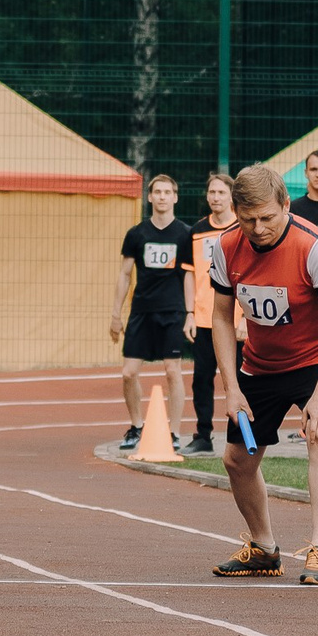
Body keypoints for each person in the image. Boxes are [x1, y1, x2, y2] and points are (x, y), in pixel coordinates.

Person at [208, 166, 318, 585]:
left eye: (267, 218)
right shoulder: (225, 247)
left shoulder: (314, 247)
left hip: (316, 361)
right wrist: (232, 388)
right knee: (237, 459)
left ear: (286, 205)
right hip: (260, 365)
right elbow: (221, 318)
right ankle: (264, 548)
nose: (258, 229)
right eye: (248, 219)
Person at [112, 173, 195, 452]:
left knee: (173, 370)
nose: (162, 196)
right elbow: (125, 275)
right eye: (157, 192)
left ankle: (174, 432)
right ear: (149, 197)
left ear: (175, 197)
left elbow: (190, 276)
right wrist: (115, 315)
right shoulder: (137, 234)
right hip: (141, 312)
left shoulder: (185, 234)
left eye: (167, 192)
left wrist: (191, 313)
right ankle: (136, 426)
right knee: (128, 373)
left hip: (172, 312)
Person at [184, 172, 241, 455]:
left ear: (231, 197)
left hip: (237, 322)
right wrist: (189, 313)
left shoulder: (242, 228)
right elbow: (189, 274)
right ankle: (203, 435)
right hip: (206, 319)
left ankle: (239, 435)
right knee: (202, 380)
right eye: (212, 192)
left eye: (221, 192)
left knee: (240, 381)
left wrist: (246, 318)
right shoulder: (196, 231)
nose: (216, 197)